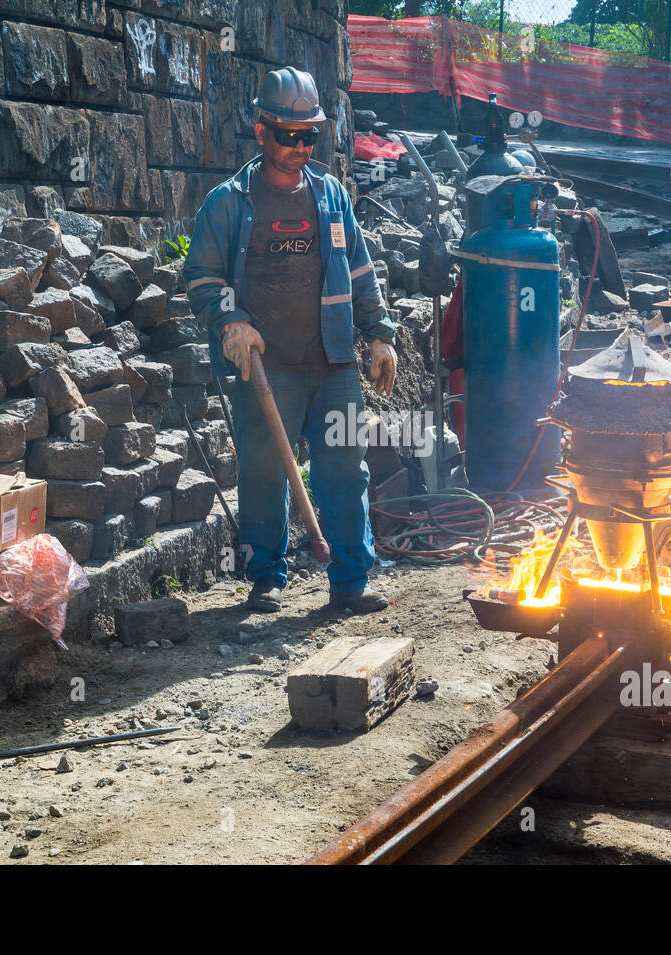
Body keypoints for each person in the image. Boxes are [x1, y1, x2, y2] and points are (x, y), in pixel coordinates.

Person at [184, 68, 397, 615]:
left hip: (333, 364)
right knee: (262, 474)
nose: (300, 147)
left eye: (310, 136)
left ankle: (350, 581)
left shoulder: (329, 197)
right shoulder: (228, 203)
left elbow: (359, 272)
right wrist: (231, 320)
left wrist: (379, 335)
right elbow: (201, 277)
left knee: (347, 471)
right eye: (288, 136)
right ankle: (266, 580)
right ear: (261, 133)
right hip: (266, 368)